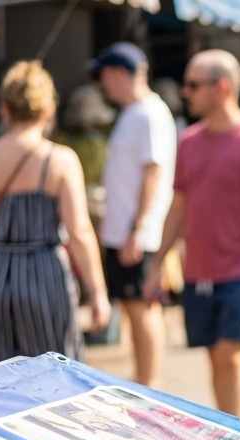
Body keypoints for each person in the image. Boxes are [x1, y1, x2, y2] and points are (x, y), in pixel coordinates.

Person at [144, 50, 240, 419]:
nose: (185, 93)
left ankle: (239, 432)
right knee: (214, 354)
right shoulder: (189, 141)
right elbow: (178, 207)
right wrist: (157, 263)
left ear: (221, 88)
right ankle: (229, 426)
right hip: (198, 270)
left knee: (232, 353)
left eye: (192, 85)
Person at [0, 61, 111, 370]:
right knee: (55, 376)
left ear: (4, 109)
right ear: (48, 110)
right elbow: (79, 231)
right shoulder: (60, 160)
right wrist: (98, 293)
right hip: (44, 275)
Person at [92, 42, 177, 389]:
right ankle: (143, 379)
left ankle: (148, 382)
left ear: (119, 74)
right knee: (134, 306)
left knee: (142, 306)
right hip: (125, 228)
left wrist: (136, 229)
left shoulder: (148, 113)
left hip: (137, 230)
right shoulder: (134, 112)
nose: (103, 85)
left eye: (105, 77)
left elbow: (153, 173)